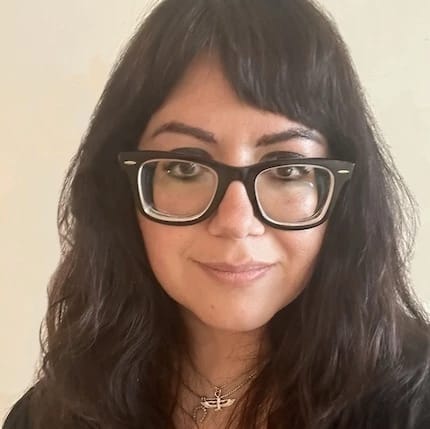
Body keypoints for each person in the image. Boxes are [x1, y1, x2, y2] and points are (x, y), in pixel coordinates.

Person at [4, 0, 430, 428]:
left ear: (344, 197)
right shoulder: (49, 416)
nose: (236, 222)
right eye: (186, 168)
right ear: (122, 193)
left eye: (287, 169)